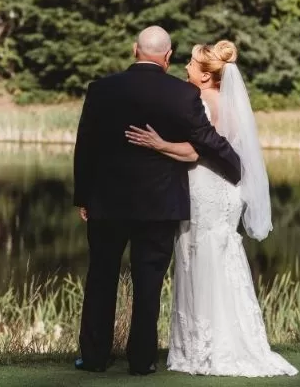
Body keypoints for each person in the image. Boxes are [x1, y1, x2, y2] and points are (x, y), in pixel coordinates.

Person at [74, 25, 243, 376]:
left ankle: (93, 358)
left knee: (101, 277)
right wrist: (237, 166)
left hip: (108, 202)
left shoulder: (101, 89)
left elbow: (85, 146)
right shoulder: (183, 94)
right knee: (148, 283)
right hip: (160, 204)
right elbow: (206, 139)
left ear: (135, 49)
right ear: (167, 56)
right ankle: (141, 361)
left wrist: (83, 197)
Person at [126, 39, 296, 377]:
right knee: (221, 257)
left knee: (197, 256)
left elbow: (195, 151)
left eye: (191, 63)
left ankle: (203, 349)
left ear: (205, 75)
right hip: (227, 191)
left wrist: (159, 144)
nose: (186, 67)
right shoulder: (230, 104)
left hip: (205, 188)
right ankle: (228, 340)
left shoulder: (201, 101)